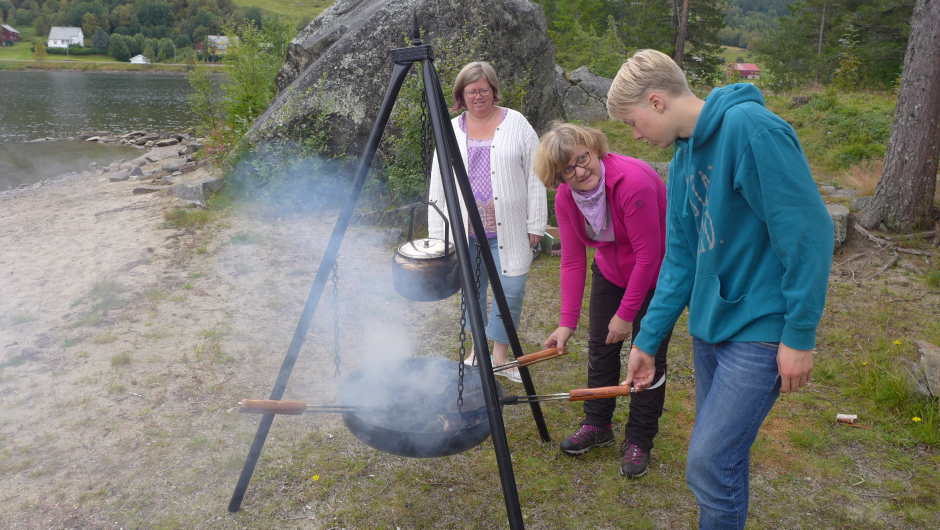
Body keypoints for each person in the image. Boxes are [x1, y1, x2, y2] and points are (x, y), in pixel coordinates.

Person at [609, 49, 833, 529]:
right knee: (723, 459)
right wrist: (648, 340)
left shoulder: (753, 130)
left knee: (709, 461)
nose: (635, 135)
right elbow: (680, 259)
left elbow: (808, 234)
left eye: (633, 122)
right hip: (711, 330)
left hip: (761, 328)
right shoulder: (683, 157)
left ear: (656, 101)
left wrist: (799, 333)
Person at [534, 123, 672, 478]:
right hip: (611, 272)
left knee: (647, 355)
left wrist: (626, 314)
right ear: (558, 177)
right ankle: (598, 424)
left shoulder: (633, 183)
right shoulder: (566, 199)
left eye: (583, 158)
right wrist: (566, 322)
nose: (581, 171)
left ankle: (640, 438)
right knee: (600, 348)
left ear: (595, 149)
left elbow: (649, 257)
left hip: (656, 276)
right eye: (568, 169)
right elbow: (573, 260)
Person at [428, 61, 547, 384]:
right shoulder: (451, 129)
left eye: (483, 89)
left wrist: (535, 223)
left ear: (493, 91)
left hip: (508, 227)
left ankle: (501, 356)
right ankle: (478, 352)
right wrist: (438, 235)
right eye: (471, 91)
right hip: (464, 230)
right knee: (472, 292)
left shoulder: (517, 124)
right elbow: (438, 182)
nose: (478, 96)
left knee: (511, 289)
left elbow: (536, 174)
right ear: (461, 96)